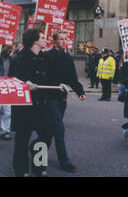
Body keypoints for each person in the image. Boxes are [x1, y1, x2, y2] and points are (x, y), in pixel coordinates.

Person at [9, 29, 53, 177]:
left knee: (45, 136)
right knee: (22, 139)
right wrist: (24, 84)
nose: (45, 39)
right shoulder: (19, 60)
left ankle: (38, 166)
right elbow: (12, 82)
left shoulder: (44, 58)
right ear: (35, 41)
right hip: (24, 107)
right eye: (42, 37)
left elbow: (50, 79)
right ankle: (21, 170)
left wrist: (61, 86)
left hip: (41, 105)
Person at [44, 31, 86, 173]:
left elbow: (72, 78)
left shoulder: (68, 57)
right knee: (59, 129)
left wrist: (80, 91)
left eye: (65, 39)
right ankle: (64, 161)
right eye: (61, 39)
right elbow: (43, 76)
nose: (64, 41)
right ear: (54, 41)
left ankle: (36, 147)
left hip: (62, 97)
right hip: (49, 98)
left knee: (50, 129)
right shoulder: (47, 56)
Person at [0, 45, 13, 140]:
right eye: (7, 48)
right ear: (2, 47)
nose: (9, 50)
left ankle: (5, 130)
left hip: (8, 87)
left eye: (11, 48)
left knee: (8, 111)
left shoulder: (13, 60)